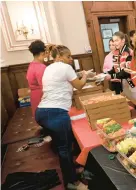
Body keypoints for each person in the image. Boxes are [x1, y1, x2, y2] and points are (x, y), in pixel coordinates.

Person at [35, 45, 88, 190]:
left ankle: (72, 170)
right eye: (68, 56)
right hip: (55, 113)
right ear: (58, 57)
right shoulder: (65, 67)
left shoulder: (48, 68)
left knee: (62, 146)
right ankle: (72, 182)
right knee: (65, 149)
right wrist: (85, 76)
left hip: (41, 112)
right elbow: (80, 86)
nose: (71, 59)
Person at [26, 40, 48, 119]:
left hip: (34, 96)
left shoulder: (32, 64)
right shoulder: (41, 67)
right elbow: (45, 86)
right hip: (41, 97)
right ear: (42, 53)